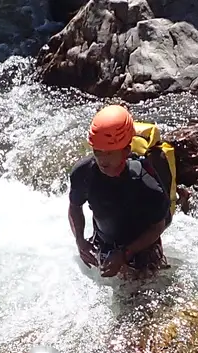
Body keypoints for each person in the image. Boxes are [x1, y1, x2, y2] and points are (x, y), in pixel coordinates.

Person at [68, 104, 173, 279]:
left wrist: (125, 254)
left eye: (109, 153)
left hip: (142, 247)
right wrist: (80, 240)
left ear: (126, 150)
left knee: (144, 289)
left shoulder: (145, 182)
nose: (102, 160)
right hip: (104, 240)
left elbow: (158, 226)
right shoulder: (83, 173)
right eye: (97, 151)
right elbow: (74, 206)